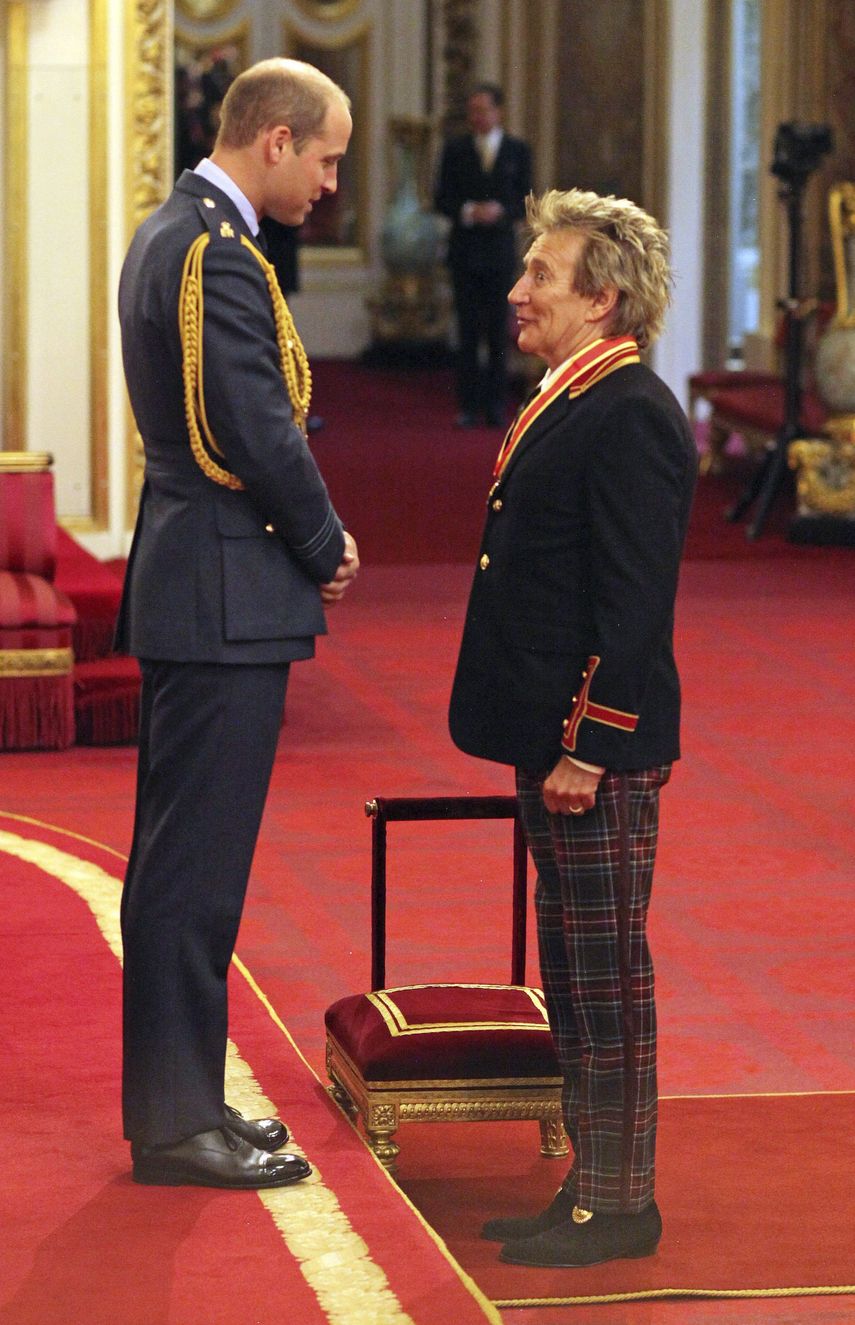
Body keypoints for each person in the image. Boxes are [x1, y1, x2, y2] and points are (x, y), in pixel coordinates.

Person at [116, 58, 358, 1189]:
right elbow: (256, 427)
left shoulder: (179, 230)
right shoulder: (214, 251)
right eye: (325, 157)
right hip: (221, 588)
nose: (330, 180)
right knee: (193, 873)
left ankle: (189, 1101)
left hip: (201, 580)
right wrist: (326, 542)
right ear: (273, 139)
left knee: (187, 864)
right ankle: (175, 1125)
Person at [449, 188, 697, 1267]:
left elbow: (636, 603)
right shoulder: (573, 391)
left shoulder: (633, 408)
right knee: (572, 973)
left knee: (605, 978)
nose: (517, 291)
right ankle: (590, 1186)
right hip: (553, 742)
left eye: (540, 275)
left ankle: (620, 1201)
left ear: (600, 296)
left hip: (592, 753)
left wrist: (590, 743)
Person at [434, 83, 532, 428]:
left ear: (498, 111)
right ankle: (467, 405)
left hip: (500, 254)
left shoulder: (518, 151)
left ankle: (495, 404)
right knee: (467, 331)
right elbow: (441, 199)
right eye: (472, 110)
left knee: (497, 331)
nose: (477, 116)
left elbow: (527, 200)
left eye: (484, 109)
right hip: (465, 253)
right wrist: (468, 211)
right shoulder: (455, 149)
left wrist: (501, 211)